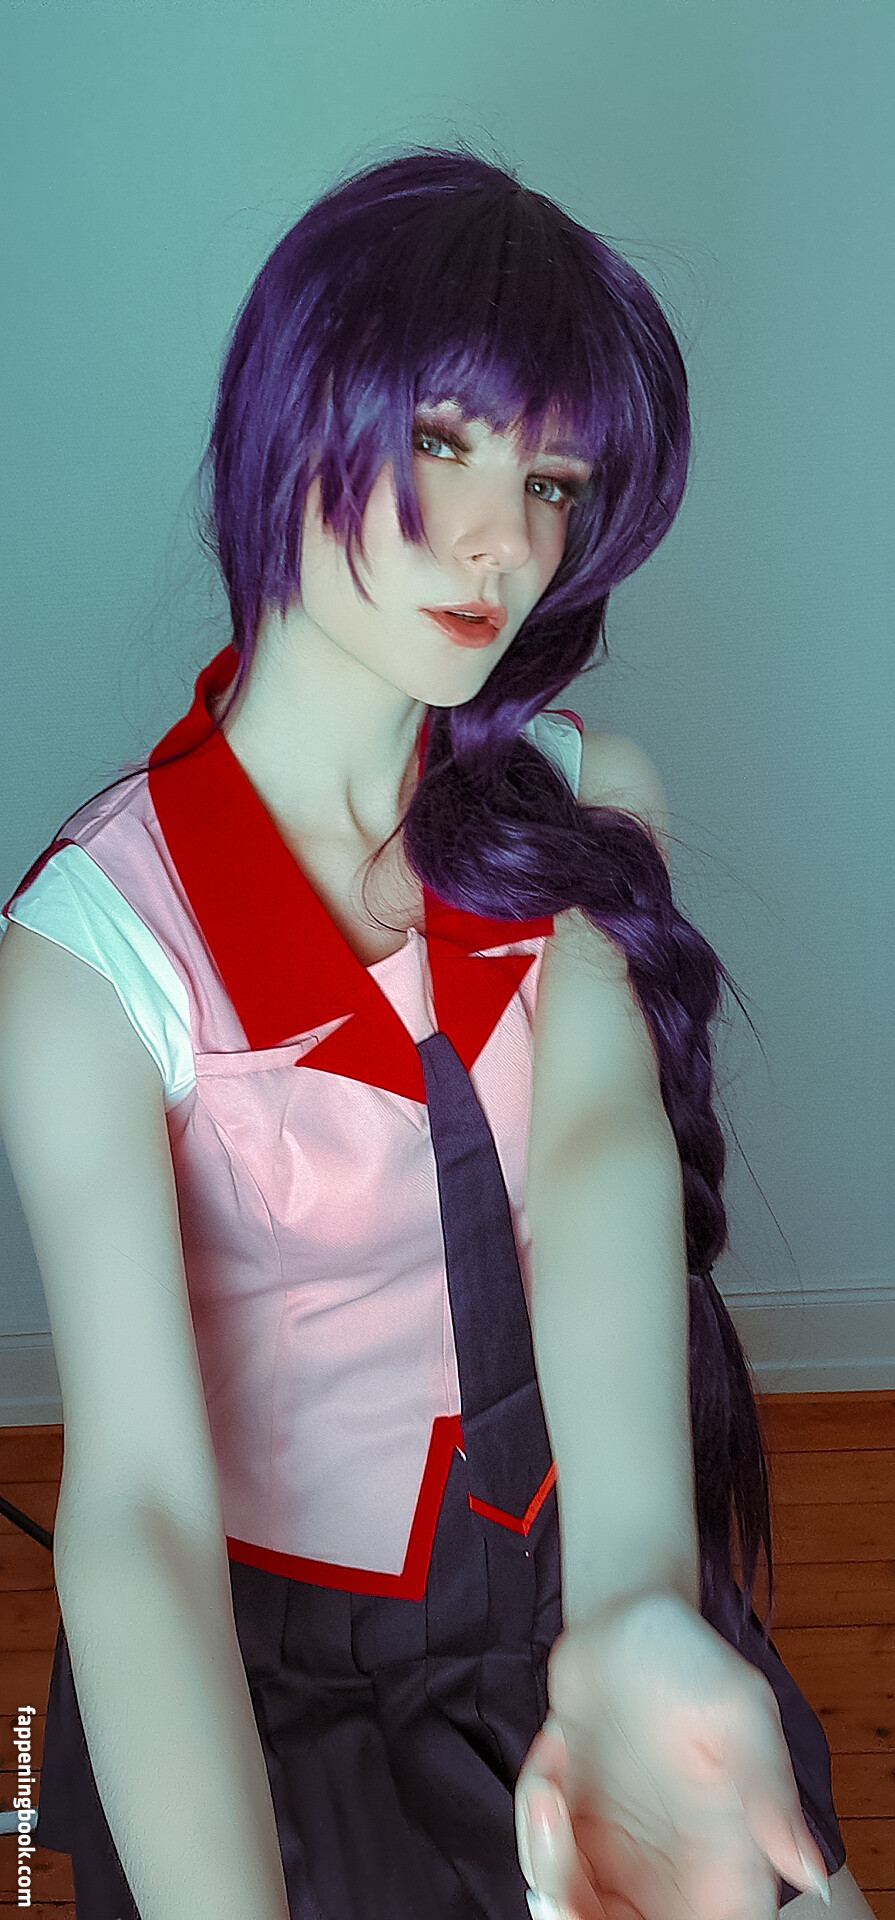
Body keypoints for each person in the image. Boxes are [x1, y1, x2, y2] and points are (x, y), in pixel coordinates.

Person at [0, 147, 861, 1920]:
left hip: (588, 1580)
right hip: (290, 1687)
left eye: (552, 481)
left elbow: (601, 1157)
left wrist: (637, 1602)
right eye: (446, 443)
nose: (510, 544)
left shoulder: (583, 801)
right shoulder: (92, 961)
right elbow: (140, 1504)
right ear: (291, 412)